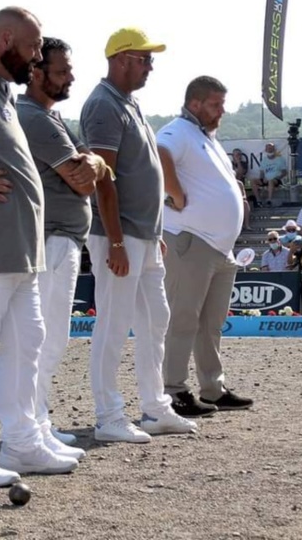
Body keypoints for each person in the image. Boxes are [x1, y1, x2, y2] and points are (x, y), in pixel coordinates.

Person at [81, 27, 197, 441]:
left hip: (142, 235)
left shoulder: (128, 103)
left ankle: (155, 408)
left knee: (155, 320)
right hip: (121, 235)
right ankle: (108, 415)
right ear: (121, 58)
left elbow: (139, 175)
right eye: (145, 58)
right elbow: (103, 177)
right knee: (113, 323)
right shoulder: (103, 105)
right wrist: (115, 239)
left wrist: (152, 233)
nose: (151, 66)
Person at [0, 7, 80, 485]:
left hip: (22, 247)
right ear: (6, 39)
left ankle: (23, 443)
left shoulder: (1, 90)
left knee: (28, 346)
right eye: (34, 47)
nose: (39, 57)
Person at [17, 37, 107, 455]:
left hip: (58, 237)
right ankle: (31, 429)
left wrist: (88, 159)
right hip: (52, 238)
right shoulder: (35, 118)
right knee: (45, 339)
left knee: (47, 338)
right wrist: (97, 161)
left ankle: (38, 422)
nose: (71, 77)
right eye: (62, 70)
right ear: (36, 73)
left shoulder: (45, 117)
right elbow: (83, 178)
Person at [156, 75, 254, 418]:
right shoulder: (179, 131)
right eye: (215, 104)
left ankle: (213, 388)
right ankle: (173, 389)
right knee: (183, 317)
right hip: (190, 240)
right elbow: (159, 152)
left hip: (217, 246)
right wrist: (175, 195)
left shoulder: (205, 137)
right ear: (194, 103)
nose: (221, 111)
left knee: (211, 323)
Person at [250, 142, 287, 207]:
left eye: (271, 148)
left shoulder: (280, 159)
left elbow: (284, 172)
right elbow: (262, 172)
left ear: (274, 149)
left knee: (271, 181)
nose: (269, 150)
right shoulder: (264, 160)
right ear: (266, 150)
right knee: (253, 181)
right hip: (266, 180)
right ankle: (258, 200)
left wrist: (278, 177)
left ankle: (269, 200)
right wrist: (262, 179)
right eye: (268, 148)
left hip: (276, 180)